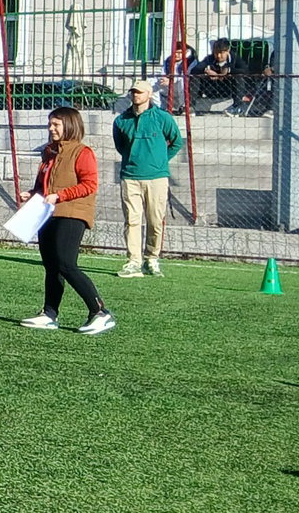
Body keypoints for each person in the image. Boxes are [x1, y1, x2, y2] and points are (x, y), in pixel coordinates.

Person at [22, 106, 115, 335]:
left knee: (66, 264)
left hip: (72, 213)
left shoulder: (83, 152)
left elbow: (89, 185)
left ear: (70, 125)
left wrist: (61, 195)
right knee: (51, 267)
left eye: (56, 124)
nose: (51, 128)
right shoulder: (49, 152)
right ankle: (49, 313)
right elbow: (44, 184)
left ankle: (100, 311)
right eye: (50, 124)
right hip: (47, 213)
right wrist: (33, 193)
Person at [111, 78, 184, 279]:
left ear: (149, 95)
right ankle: (133, 260)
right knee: (132, 220)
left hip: (157, 178)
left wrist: (160, 161)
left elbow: (176, 142)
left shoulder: (162, 118)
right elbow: (121, 146)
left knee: (155, 220)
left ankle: (151, 258)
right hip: (130, 177)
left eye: (140, 92)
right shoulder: (121, 121)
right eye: (133, 92)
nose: (136, 95)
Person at [160, 41, 194, 114]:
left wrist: (171, 80)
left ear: (186, 52)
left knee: (183, 80)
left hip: (187, 88)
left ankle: (185, 107)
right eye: (175, 52)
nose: (176, 55)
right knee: (152, 82)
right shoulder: (168, 60)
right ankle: (159, 107)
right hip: (169, 85)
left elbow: (184, 74)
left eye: (180, 53)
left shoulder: (190, 61)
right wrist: (163, 79)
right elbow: (163, 72)